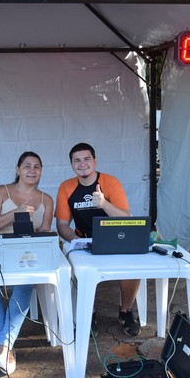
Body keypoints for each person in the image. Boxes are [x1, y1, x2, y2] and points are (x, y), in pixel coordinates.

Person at [54, 142, 141, 336]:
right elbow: (62, 226)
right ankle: (88, 313)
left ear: (95, 161)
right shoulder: (66, 187)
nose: (82, 164)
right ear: (71, 164)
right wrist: (76, 242)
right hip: (82, 241)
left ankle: (125, 311)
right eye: (77, 160)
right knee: (76, 271)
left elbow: (125, 217)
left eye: (86, 159)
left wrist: (103, 203)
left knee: (132, 267)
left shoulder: (110, 182)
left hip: (114, 238)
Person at [0, 151, 54, 374]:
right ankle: (6, 346)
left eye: (37, 166)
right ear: (17, 169)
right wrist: (16, 213)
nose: (32, 170)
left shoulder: (47, 200)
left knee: (24, 285)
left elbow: (44, 232)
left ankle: (3, 346)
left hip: (26, 249)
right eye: (27, 166)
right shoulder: (1, 192)